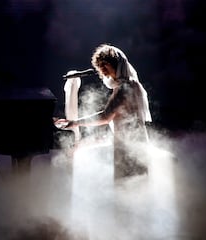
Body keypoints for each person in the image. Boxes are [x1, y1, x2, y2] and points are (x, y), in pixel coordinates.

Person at [55, 43, 152, 178]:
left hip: (129, 145)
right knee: (132, 184)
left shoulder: (124, 88)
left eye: (105, 65)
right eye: (100, 66)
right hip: (130, 142)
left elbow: (105, 117)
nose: (102, 70)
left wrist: (75, 123)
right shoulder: (129, 85)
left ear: (117, 65)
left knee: (128, 182)